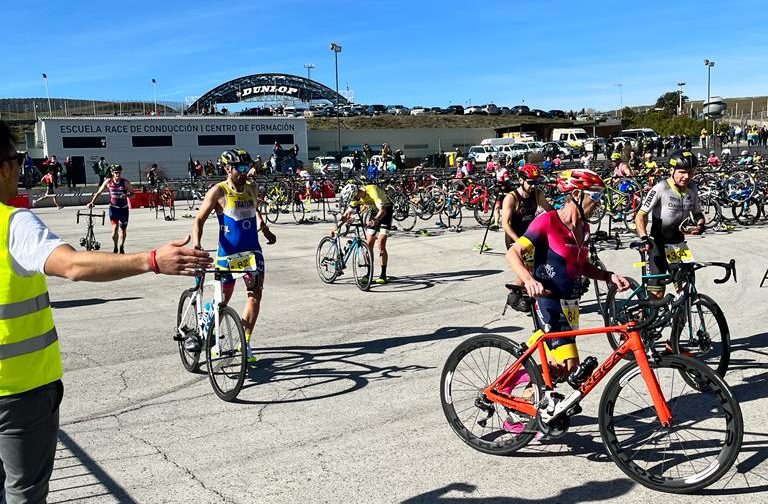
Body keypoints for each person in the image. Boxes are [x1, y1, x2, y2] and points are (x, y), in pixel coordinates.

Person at [0, 121, 211, 504]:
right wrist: (151, 260)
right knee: (24, 492)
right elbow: (73, 266)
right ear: (4, 167)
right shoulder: (13, 224)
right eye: (18, 160)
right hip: (19, 393)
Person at [507, 169, 630, 378]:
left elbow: (581, 266)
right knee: (569, 367)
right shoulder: (548, 222)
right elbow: (513, 252)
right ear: (576, 195)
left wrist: (608, 276)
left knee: (559, 371)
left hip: (570, 304)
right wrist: (528, 280)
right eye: (596, 196)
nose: (599, 203)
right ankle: (513, 386)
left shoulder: (584, 228)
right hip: (548, 301)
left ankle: (527, 392)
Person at [191, 149, 276, 363]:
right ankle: (208, 330)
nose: (244, 172)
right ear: (228, 168)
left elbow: (254, 210)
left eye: (246, 167)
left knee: (255, 296)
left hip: (252, 252)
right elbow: (199, 219)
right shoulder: (218, 191)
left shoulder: (252, 188)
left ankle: (245, 342)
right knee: (223, 301)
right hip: (227, 255)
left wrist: (264, 229)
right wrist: (197, 243)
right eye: (240, 168)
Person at [635, 150, 704, 299]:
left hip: (678, 245)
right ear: (671, 170)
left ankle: (679, 320)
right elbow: (641, 215)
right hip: (657, 243)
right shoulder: (661, 188)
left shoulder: (692, 188)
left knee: (686, 289)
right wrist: (643, 237)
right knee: (658, 292)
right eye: (682, 172)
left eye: (690, 172)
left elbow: (698, 213)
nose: (686, 177)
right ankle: (647, 316)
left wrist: (700, 224)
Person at [337, 182, 392, 284]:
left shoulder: (372, 190)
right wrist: (336, 227)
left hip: (386, 211)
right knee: (369, 243)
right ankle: (369, 273)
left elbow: (383, 210)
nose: (354, 201)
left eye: (354, 198)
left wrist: (375, 221)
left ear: (357, 193)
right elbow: (347, 214)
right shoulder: (355, 198)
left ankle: (383, 275)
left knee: (380, 244)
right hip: (375, 212)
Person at [501, 164, 553, 255]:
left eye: (536, 183)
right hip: (514, 238)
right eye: (530, 183)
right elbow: (505, 224)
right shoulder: (511, 198)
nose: (533, 186)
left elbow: (550, 211)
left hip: (530, 236)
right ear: (521, 180)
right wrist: (518, 241)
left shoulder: (537, 193)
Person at [88, 164, 134, 254]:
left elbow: (133, 194)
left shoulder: (125, 182)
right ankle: (115, 246)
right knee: (114, 230)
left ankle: (122, 246)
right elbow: (99, 192)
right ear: (112, 173)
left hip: (124, 209)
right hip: (114, 209)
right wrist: (92, 202)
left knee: (123, 230)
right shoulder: (108, 182)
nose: (118, 174)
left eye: (119, 173)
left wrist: (127, 195)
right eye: (116, 173)